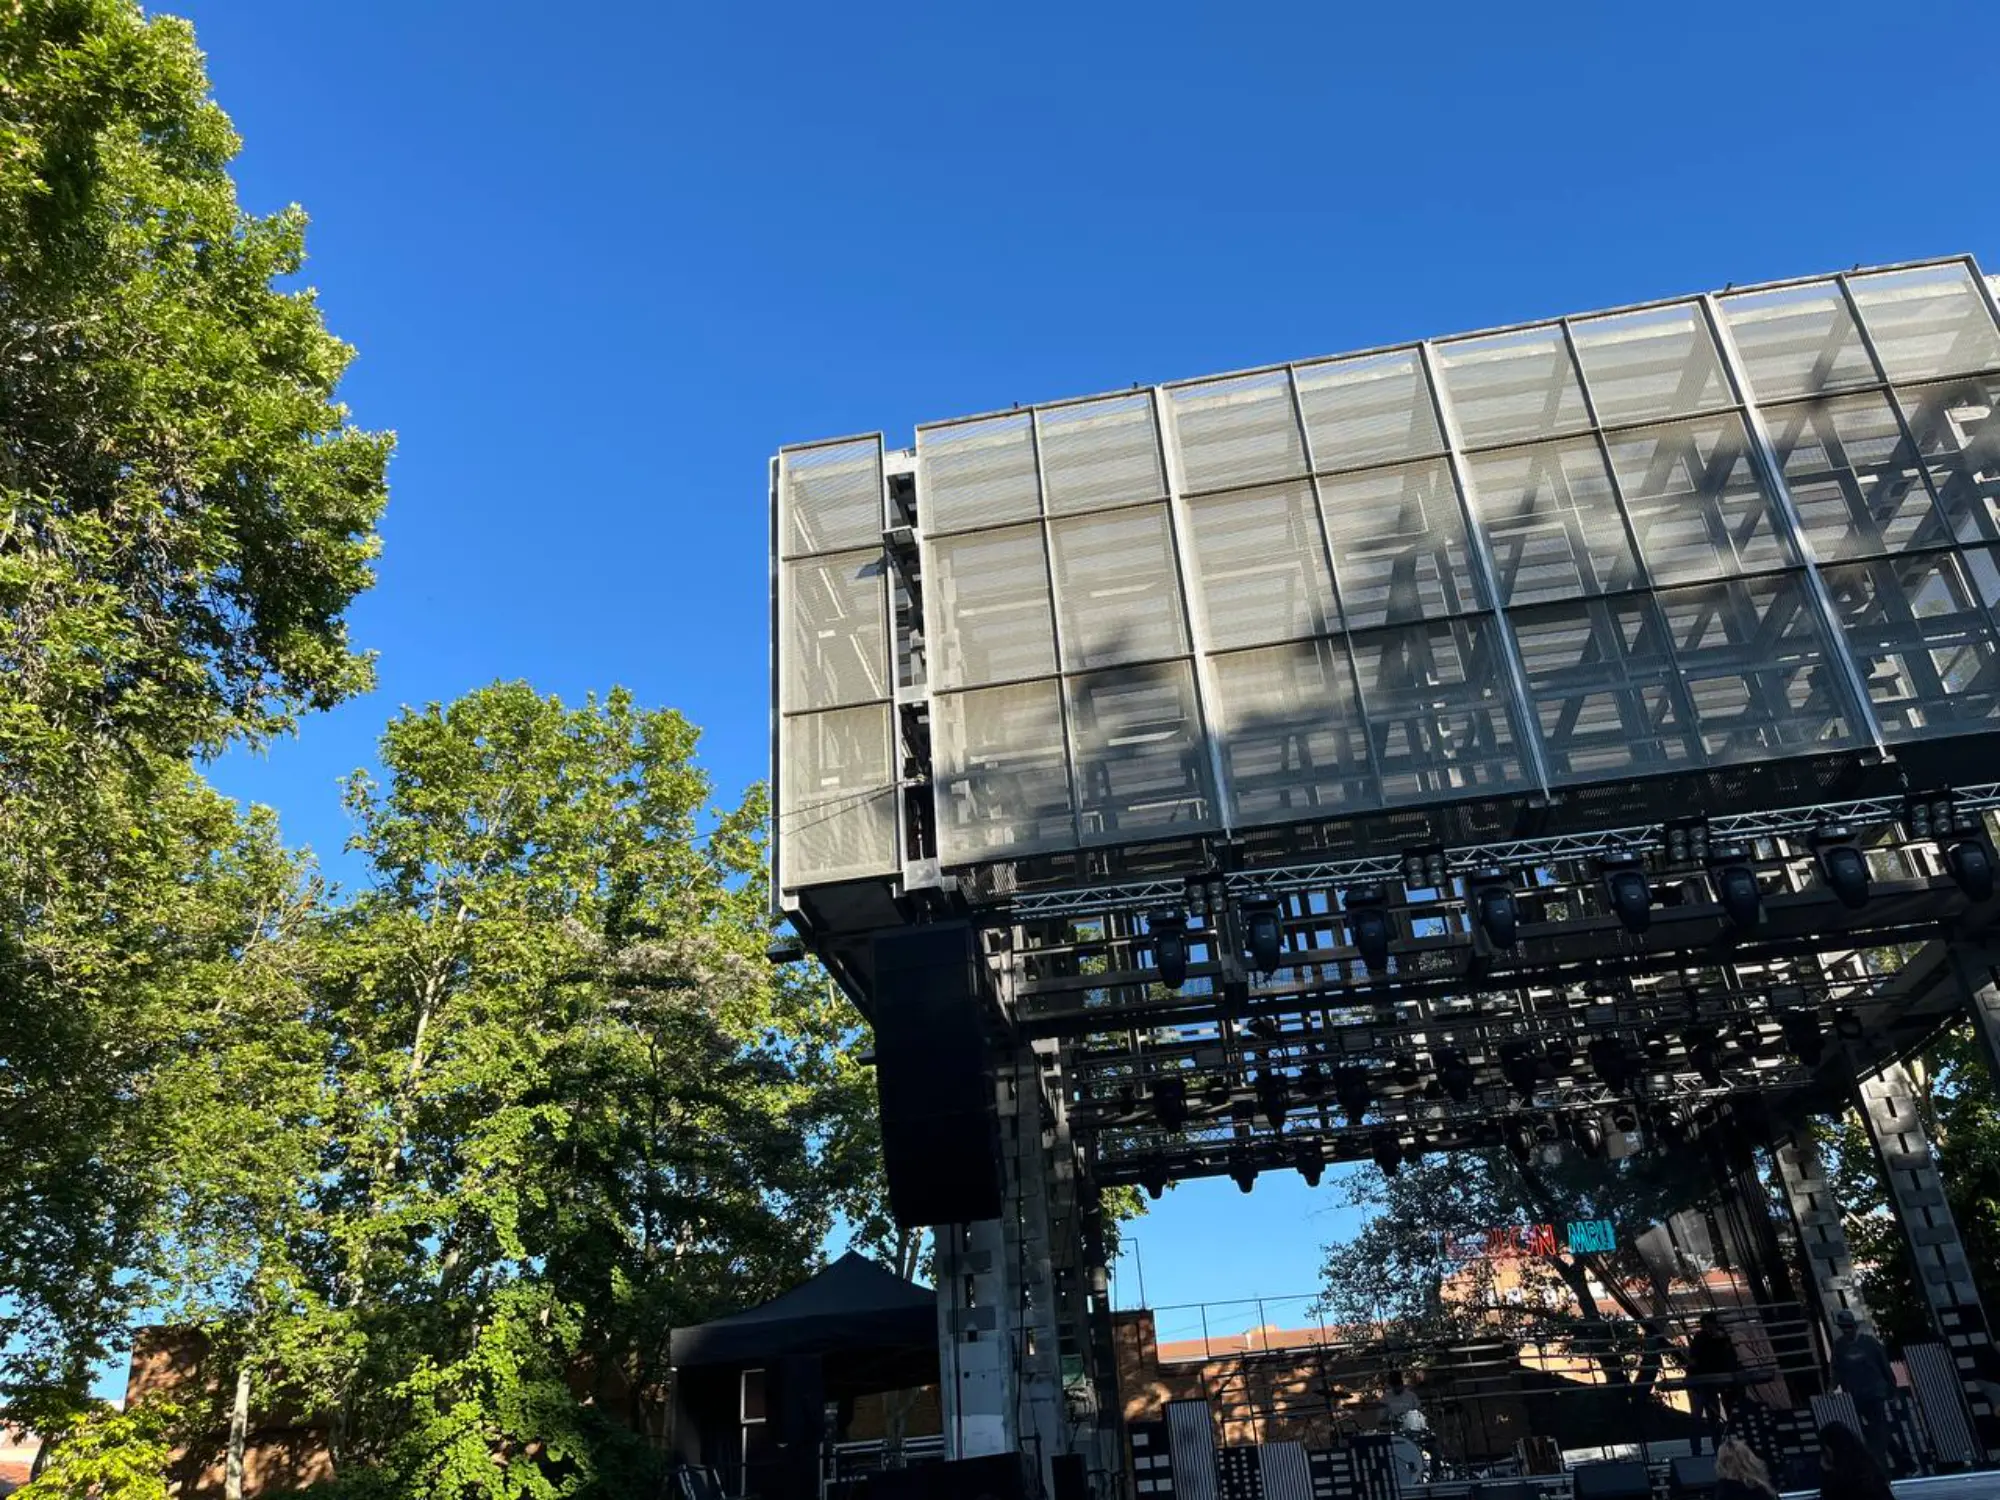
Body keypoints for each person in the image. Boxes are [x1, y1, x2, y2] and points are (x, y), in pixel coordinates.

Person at [1828, 1308, 1899, 1474]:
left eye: (1848, 1326)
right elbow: (1836, 1370)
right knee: (1874, 1430)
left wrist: (1892, 1388)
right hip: (1856, 1395)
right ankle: (1902, 1461)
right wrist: (1832, 1387)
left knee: (1878, 1429)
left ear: (1854, 1326)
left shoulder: (1869, 1343)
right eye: (1843, 1327)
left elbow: (1884, 1365)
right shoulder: (1839, 1347)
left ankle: (1883, 1467)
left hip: (1875, 1393)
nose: (1846, 1330)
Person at [1687, 1313, 1740, 1452]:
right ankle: (1699, 1449)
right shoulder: (1701, 1338)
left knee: (1714, 1415)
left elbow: (1729, 1357)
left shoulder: (1720, 1338)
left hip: (1712, 1380)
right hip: (1701, 1381)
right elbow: (1694, 1360)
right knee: (1701, 1416)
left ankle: (1717, 1447)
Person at [1816, 1421, 1894, 1500]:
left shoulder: (1843, 1485)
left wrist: (1828, 1475)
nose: (1822, 1457)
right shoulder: (1871, 1474)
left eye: (1825, 1451)